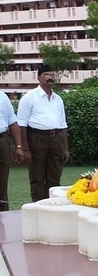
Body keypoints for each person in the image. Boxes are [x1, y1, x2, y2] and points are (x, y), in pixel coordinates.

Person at [17, 65, 69, 202]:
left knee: (55, 176)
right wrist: (25, 148)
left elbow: (63, 125)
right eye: (46, 75)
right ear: (39, 77)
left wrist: (65, 149)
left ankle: (53, 205)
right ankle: (39, 206)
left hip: (56, 139)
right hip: (37, 139)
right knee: (37, 177)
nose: (50, 78)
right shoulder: (29, 98)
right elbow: (22, 124)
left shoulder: (58, 99)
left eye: (52, 75)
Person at [0, 92, 24, 210]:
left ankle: (3, 220)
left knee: (2, 184)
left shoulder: (2, 96)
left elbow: (12, 122)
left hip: (2, 142)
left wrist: (18, 146)